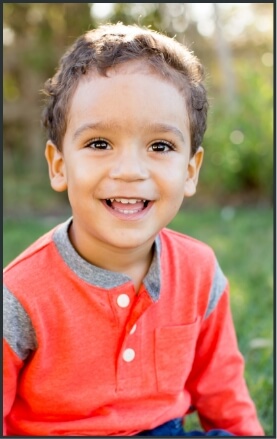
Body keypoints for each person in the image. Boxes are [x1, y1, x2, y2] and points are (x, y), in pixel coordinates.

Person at [3, 23, 264, 437]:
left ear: (190, 171)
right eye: (99, 143)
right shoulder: (19, 294)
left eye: (160, 146)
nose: (129, 171)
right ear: (58, 165)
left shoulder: (200, 272)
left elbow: (223, 392)